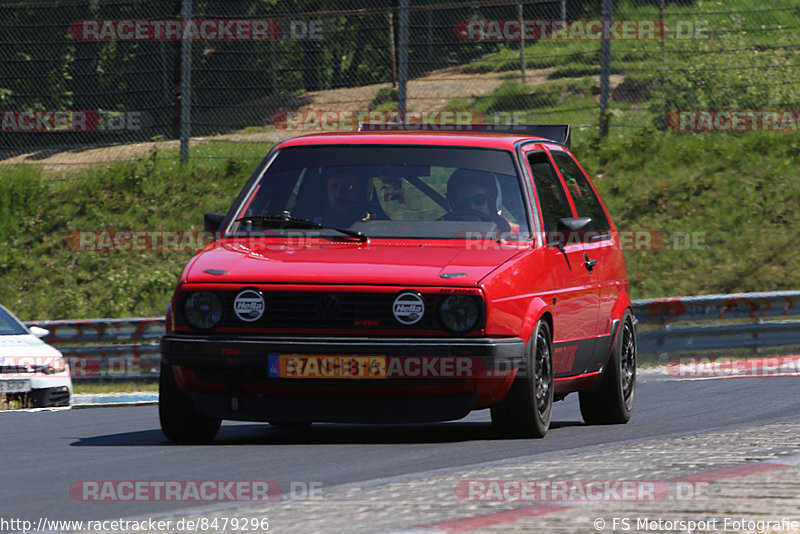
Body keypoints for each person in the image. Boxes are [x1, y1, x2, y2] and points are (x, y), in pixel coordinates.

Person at [445, 169, 511, 232]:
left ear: (491, 202)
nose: (472, 207)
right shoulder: (445, 228)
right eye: (463, 203)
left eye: (479, 200)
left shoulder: (503, 229)